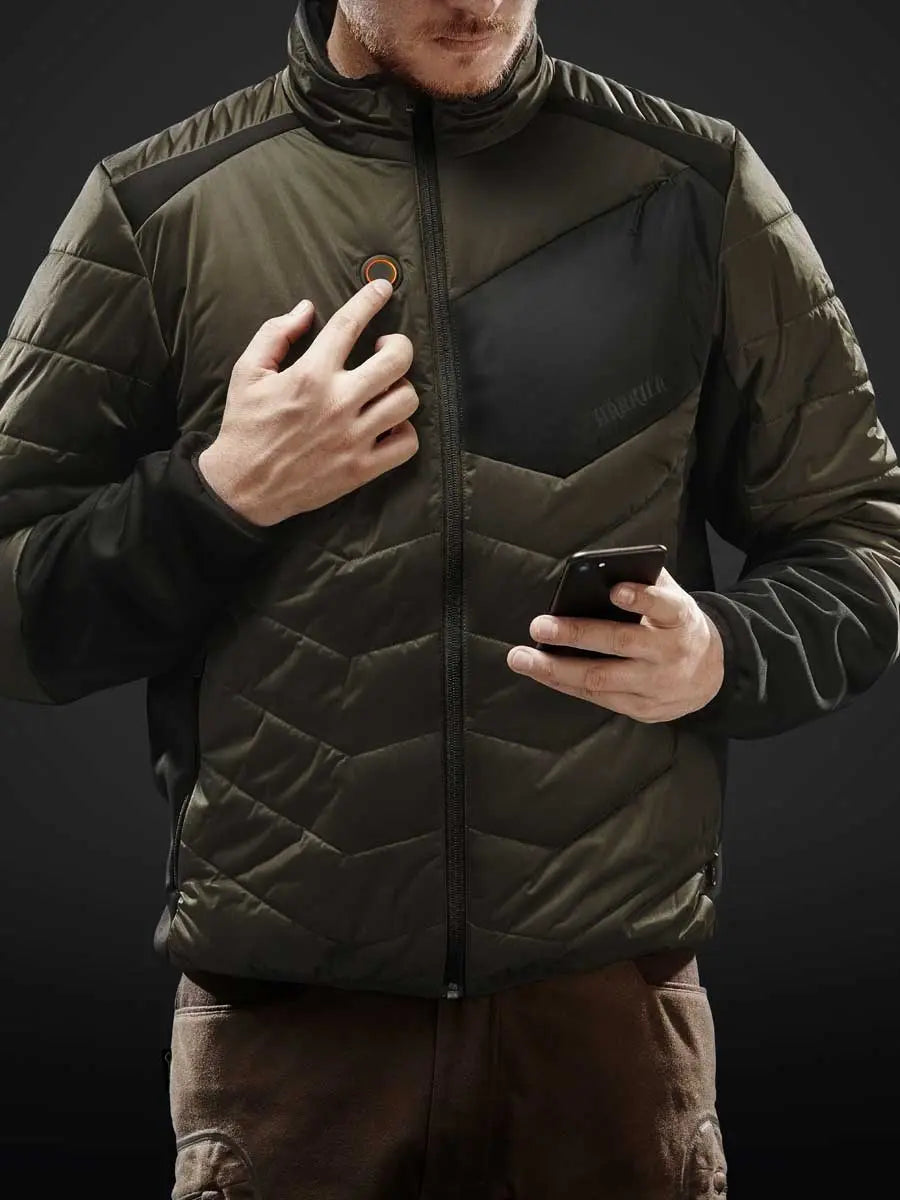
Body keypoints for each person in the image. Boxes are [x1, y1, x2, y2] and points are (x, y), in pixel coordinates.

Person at [2, 0, 899, 1196]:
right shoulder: (159, 206)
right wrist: (217, 495)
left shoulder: (692, 181)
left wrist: (725, 655)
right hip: (289, 1048)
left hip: (608, 1036)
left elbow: (859, 539)